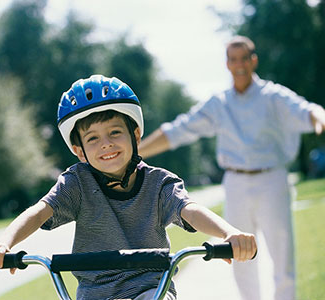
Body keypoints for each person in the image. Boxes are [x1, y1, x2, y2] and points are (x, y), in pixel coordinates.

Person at [0, 75, 257, 300]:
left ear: (135, 135)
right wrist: (4, 244)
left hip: (151, 291)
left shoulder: (159, 183)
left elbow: (190, 210)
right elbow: (39, 211)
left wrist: (229, 233)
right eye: (93, 138)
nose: (106, 144)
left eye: (115, 132)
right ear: (79, 150)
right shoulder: (76, 183)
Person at [138, 36, 325, 300]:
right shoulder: (219, 104)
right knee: (239, 253)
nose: (239, 65)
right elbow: (179, 130)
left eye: (244, 58)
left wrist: (320, 119)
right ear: (227, 63)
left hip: (272, 179)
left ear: (253, 60)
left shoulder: (273, 96)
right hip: (236, 183)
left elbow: (307, 110)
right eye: (233, 59)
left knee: (282, 254)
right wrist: (135, 152)